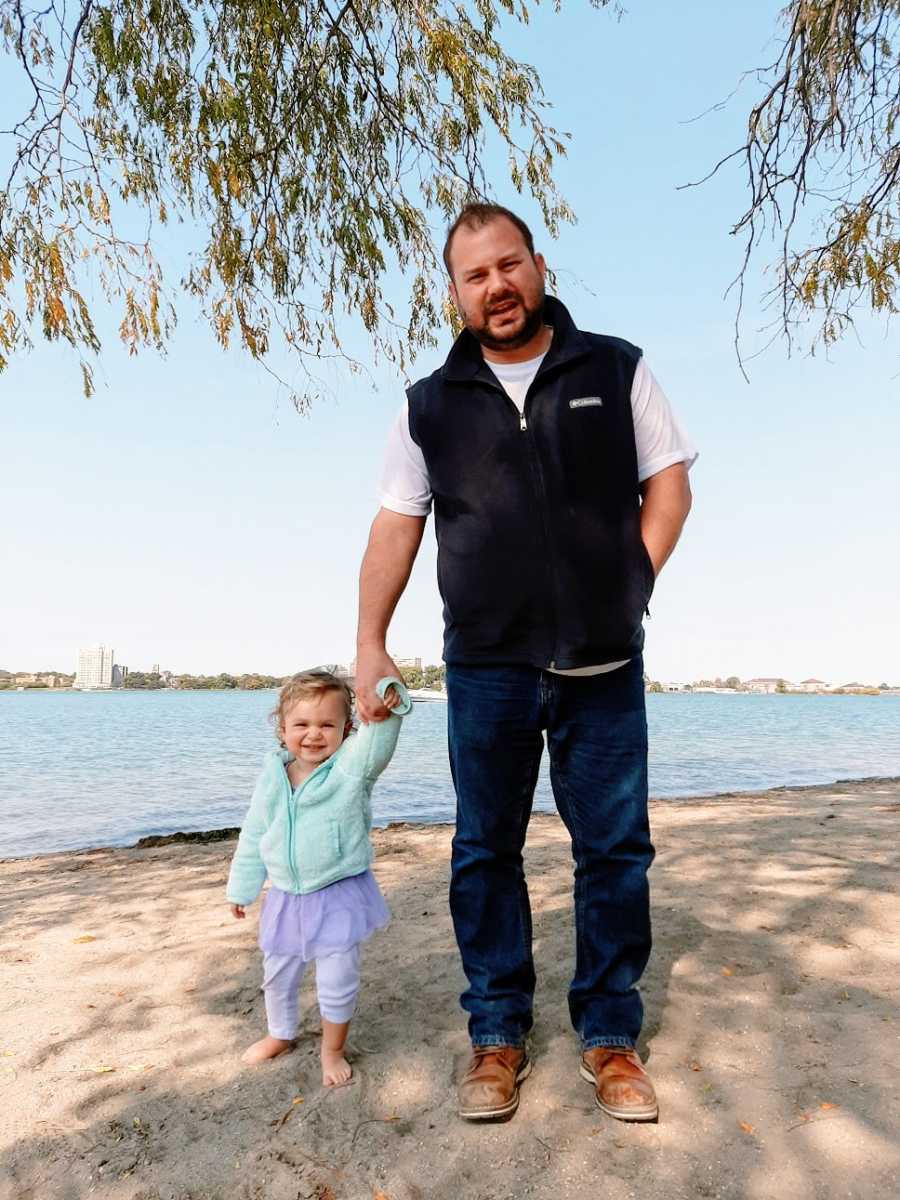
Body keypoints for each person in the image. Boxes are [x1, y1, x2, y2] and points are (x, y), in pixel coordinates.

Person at [355, 203, 696, 1122]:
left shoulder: (614, 368)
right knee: (483, 853)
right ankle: (497, 1034)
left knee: (616, 853)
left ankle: (610, 1039)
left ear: (539, 267)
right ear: (455, 292)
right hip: (487, 669)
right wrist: (368, 643)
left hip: (603, 666)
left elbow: (669, 481)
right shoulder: (428, 405)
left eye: (509, 266)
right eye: (476, 275)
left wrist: (635, 575)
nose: (496, 286)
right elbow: (397, 524)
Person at [226, 669, 410, 1085]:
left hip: (337, 896)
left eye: (327, 725)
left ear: (347, 728)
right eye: (302, 725)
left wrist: (387, 703)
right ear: (283, 728)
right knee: (277, 975)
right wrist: (242, 887)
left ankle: (332, 1051)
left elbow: (378, 743)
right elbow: (255, 832)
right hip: (286, 897)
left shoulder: (350, 769)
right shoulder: (273, 775)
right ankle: (280, 1034)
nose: (313, 735)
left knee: (336, 979)